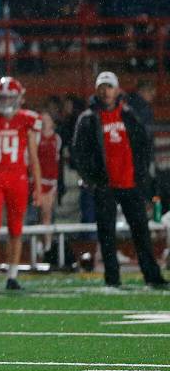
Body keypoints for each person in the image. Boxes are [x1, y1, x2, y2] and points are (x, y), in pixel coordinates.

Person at [71, 72, 167, 288]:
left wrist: (141, 176)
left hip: (130, 183)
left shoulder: (129, 115)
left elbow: (143, 146)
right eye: (102, 87)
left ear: (117, 90)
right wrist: (93, 178)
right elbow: (79, 152)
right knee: (107, 235)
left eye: (109, 86)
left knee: (141, 232)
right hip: (105, 185)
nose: (105, 91)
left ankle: (152, 276)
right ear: (97, 90)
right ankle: (112, 278)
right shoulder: (88, 118)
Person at [0, 77, 43, 290]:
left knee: (16, 229)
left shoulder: (27, 120)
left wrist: (39, 187)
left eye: (10, 98)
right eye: (2, 98)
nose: (6, 102)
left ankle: (13, 275)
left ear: (19, 99)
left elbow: (33, 156)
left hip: (17, 177)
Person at [36, 112, 61, 257]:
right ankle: (43, 243)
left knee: (47, 213)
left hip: (51, 181)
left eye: (47, 119)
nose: (45, 122)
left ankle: (48, 245)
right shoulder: (37, 137)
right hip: (40, 180)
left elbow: (57, 160)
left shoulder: (56, 138)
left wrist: (57, 183)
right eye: (42, 119)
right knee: (42, 214)